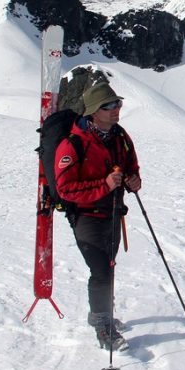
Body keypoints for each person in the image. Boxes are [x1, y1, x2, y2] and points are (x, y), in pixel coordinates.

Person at [54, 82, 141, 350]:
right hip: (86, 217)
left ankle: (99, 314)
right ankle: (104, 327)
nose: (116, 110)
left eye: (118, 104)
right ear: (94, 112)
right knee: (101, 270)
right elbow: (65, 188)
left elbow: (131, 166)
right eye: (109, 106)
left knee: (109, 266)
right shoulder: (74, 144)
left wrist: (133, 180)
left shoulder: (120, 137)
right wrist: (104, 186)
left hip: (113, 213)